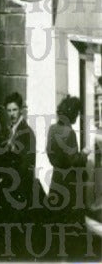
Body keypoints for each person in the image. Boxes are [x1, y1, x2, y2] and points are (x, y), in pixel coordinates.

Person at [47, 95, 92, 250]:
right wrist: (85, 153)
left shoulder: (52, 129)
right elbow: (74, 160)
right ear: (72, 113)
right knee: (72, 225)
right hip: (70, 184)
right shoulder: (69, 132)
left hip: (56, 180)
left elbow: (49, 153)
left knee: (57, 221)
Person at [0, 92, 37, 212]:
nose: (12, 114)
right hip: (11, 185)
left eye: (15, 110)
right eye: (9, 111)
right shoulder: (12, 130)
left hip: (21, 187)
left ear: (21, 110)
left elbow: (27, 163)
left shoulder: (26, 132)